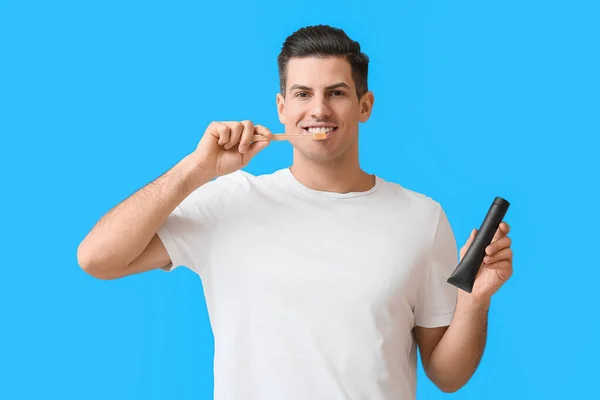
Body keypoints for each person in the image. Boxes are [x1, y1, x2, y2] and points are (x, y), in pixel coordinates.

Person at [77, 25, 513, 400]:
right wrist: (196, 169)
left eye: (337, 93)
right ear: (282, 107)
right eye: (302, 93)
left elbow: (447, 375)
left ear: (365, 105)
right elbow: (97, 258)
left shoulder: (422, 217)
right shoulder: (229, 201)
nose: (318, 109)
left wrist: (475, 301)